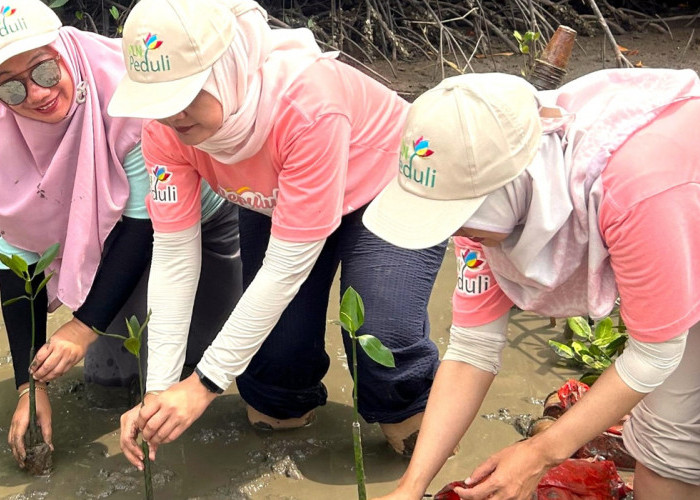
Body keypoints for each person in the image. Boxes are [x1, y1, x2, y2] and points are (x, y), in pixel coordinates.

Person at [108, 0, 447, 468]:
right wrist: (160, 390)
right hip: (273, 193)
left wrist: (204, 384)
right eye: (159, 102)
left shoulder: (308, 103)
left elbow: (287, 267)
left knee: (383, 336)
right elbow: (175, 255)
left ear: (226, 68)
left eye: (185, 96)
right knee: (273, 393)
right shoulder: (165, 131)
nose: (173, 116)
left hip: (385, 184)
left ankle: (407, 407)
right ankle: (286, 394)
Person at [363, 70, 700, 499]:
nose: (455, 234)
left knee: (678, 444)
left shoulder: (637, 190)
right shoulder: (491, 203)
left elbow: (656, 353)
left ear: (509, 189)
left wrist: (543, 452)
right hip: (670, 233)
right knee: (665, 446)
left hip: (679, 199)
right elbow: (471, 350)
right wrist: (410, 488)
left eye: (459, 217)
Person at [0, 0, 241, 469]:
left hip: (192, 221)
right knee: (108, 389)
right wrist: (31, 384)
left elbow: (143, 226)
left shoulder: (126, 93)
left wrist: (81, 327)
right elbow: (13, 255)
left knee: (198, 376)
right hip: (102, 237)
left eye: (44, 71)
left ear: (62, 47)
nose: (36, 94)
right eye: (10, 87)